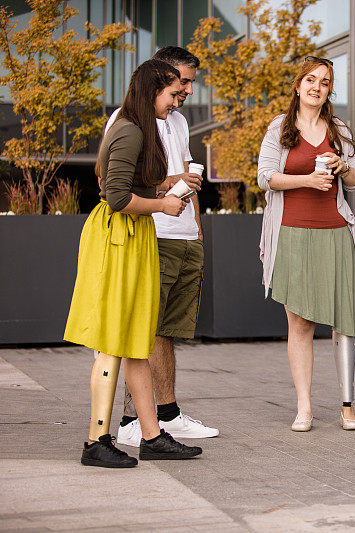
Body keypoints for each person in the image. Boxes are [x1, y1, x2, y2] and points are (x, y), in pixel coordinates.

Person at [64, 59, 202, 468]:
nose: (178, 100)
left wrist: (165, 183)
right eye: (173, 94)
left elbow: (133, 179)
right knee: (114, 340)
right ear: (151, 91)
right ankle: (96, 442)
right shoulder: (127, 128)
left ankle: (152, 435)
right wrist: (166, 203)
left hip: (135, 236)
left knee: (135, 341)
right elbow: (117, 196)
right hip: (118, 238)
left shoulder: (142, 129)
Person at [105, 47, 219, 447]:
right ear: (158, 77)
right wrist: (165, 191)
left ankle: (167, 414)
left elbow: (188, 174)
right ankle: (133, 419)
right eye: (181, 83)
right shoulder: (127, 121)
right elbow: (115, 185)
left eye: (189, 83)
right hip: (153, 233)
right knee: (144, 329)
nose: (186, 91)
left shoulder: (179, 120)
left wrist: (197, 227)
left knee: (166, 331)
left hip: (184, 235)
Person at [257, 56, 355, 432]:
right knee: (300, 323)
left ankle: (347, 406)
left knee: (345, 319)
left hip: (335, 232)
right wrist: (306, 181)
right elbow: (266, 178)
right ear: (298, 85)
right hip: (292, 233)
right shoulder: (279, 128)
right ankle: (304, 407)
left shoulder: (339, 129)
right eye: (310, 79)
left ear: (328, 90)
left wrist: (341, 167)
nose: (317, 86)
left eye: (324, 81)